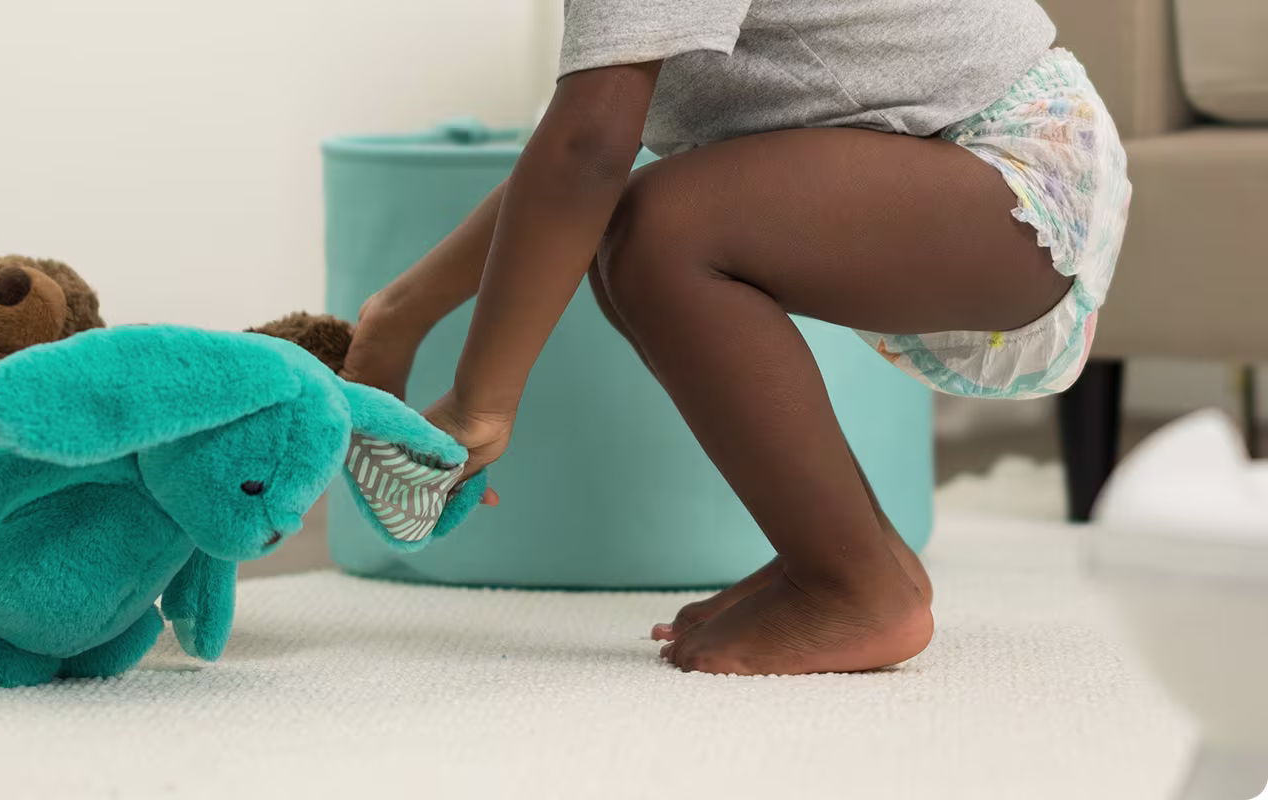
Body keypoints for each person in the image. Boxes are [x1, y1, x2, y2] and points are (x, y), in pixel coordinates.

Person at [339, 0, 1130, 676]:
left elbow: (588, 151)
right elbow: (572, 167)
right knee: (631, 234)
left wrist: (482, 404)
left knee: (660, 236)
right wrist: (397, 316)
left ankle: (854, 590)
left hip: (1013, 175)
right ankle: (859, 558)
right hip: (954, 164)